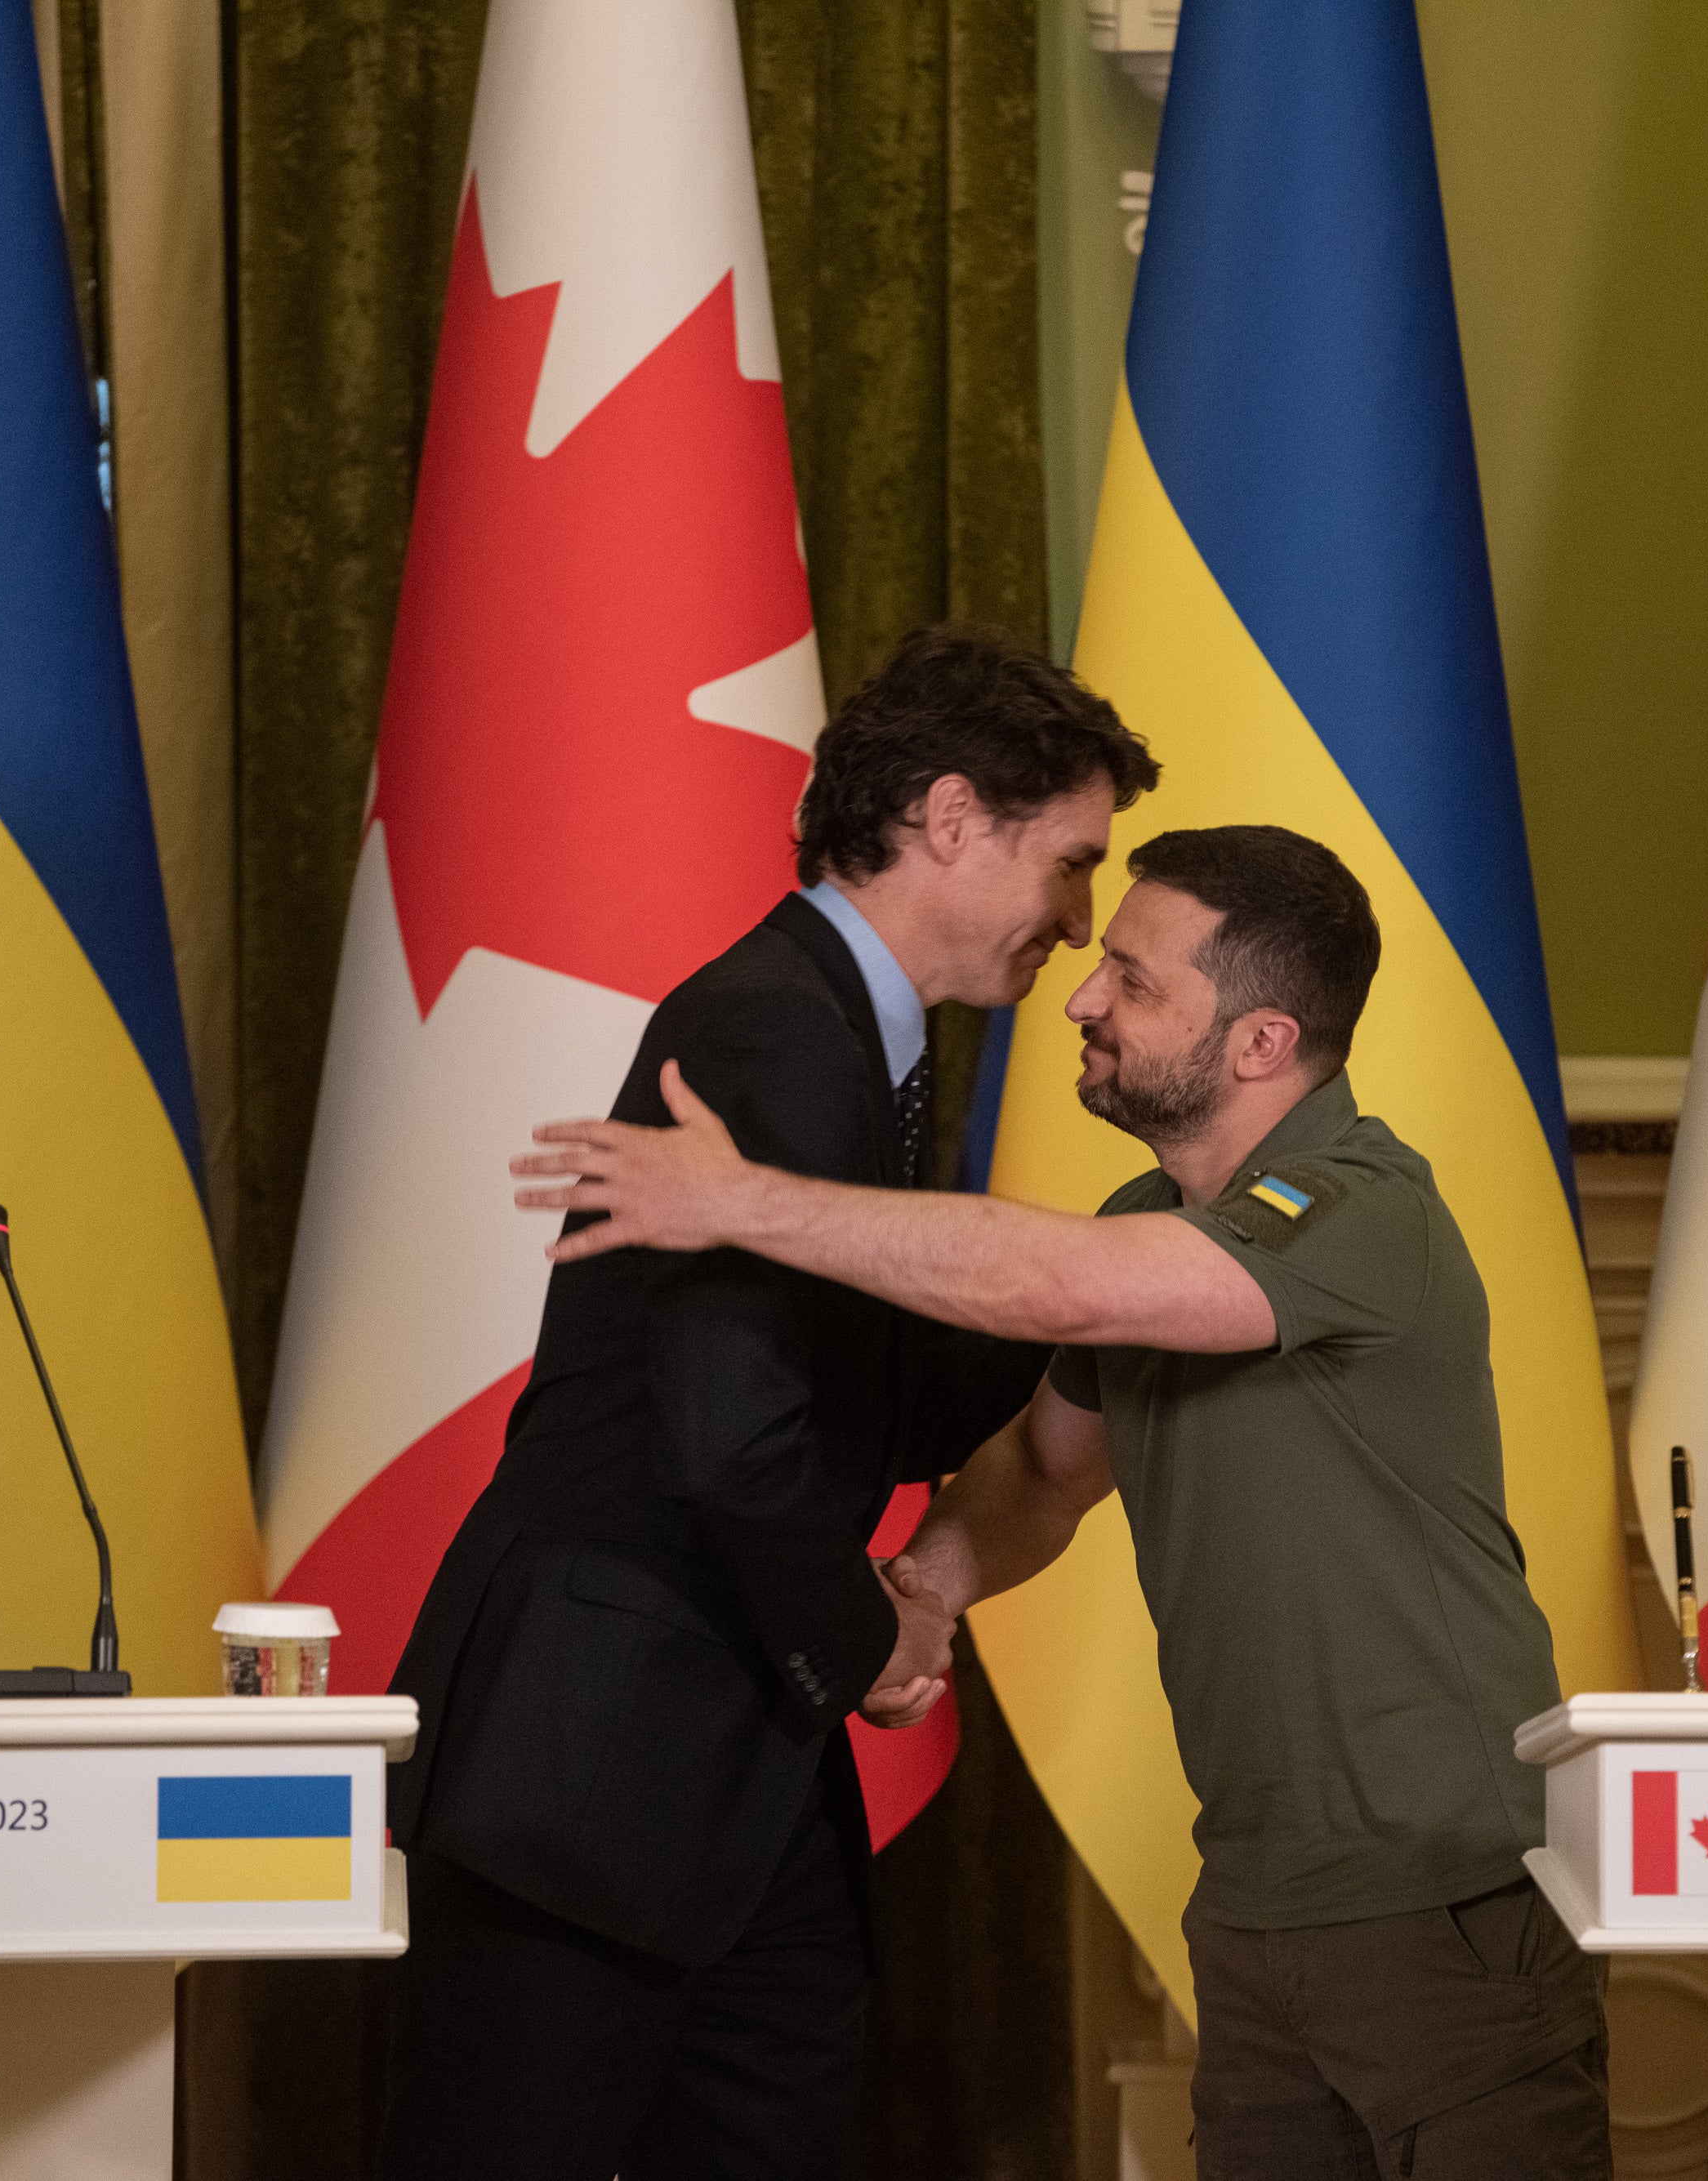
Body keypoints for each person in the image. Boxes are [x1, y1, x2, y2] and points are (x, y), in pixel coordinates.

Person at [516, 823, 1612, 2181]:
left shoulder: (1366, 1205)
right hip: (1258, 1913)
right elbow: (1043, 1472)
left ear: (1263, 1043)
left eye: (1136, 982)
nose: (1083, 997)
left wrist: (741, 1202)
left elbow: (1068, 1286)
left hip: (1443, 1902)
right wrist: (920, 1594)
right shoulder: (1152, 1209)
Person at [374, 625, 1160, 2181]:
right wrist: (871, 1639)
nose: (1079, 926)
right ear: (950, 818)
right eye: (1071, 865)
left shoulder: (843, 1035)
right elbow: (734, 1438)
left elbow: (871, 1388)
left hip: (714, 1768)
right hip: (590, 1766)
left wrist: (1129, 1285)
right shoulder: (772, 1031)